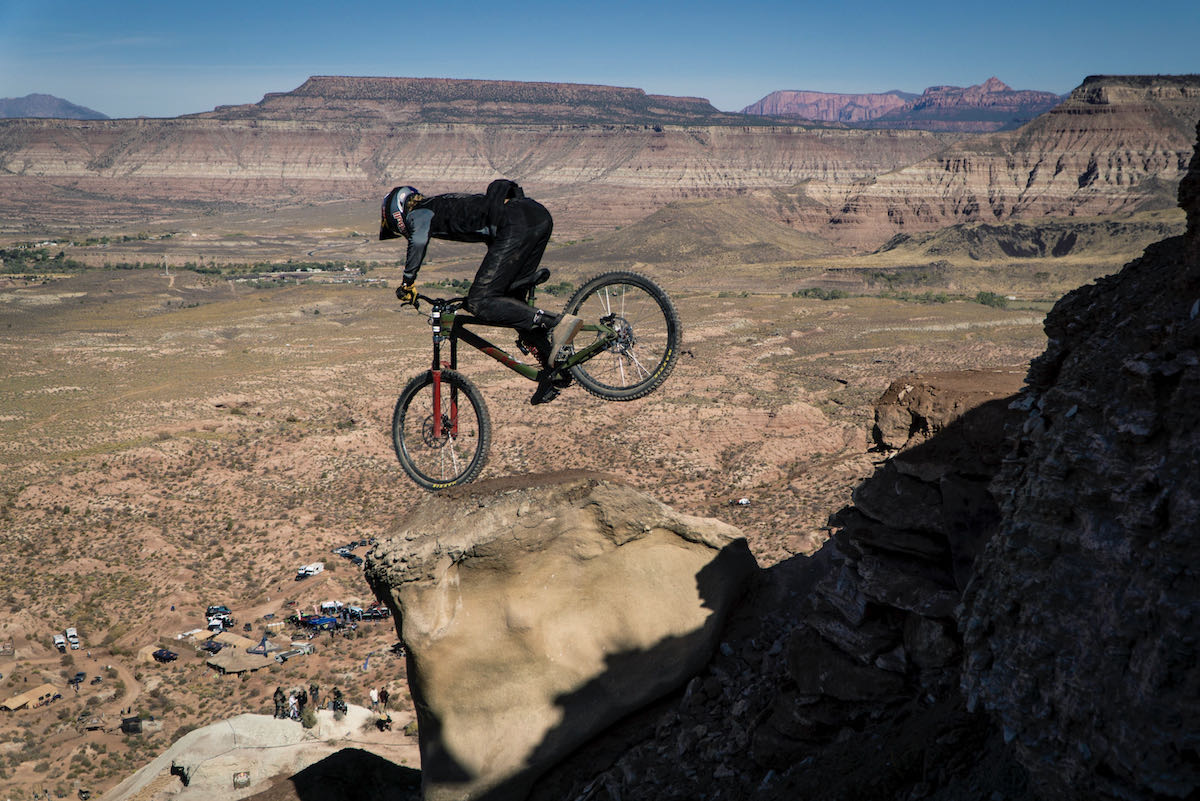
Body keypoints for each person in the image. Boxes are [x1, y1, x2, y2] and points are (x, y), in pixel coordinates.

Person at [380, 179, 582, 404]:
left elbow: (418, 241)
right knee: (511, 306)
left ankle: (555, 322)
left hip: (516, 223)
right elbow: (494, 243)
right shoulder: (446, 204)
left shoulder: (419, 212)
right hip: (536, 215)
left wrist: (407, 283)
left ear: (396, 214)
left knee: (479, 301)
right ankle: (554, 374)